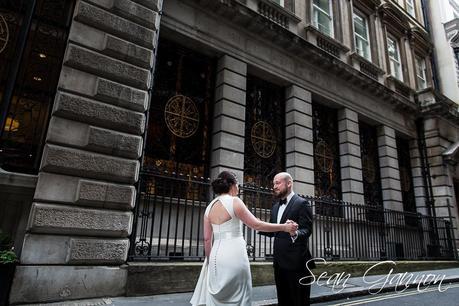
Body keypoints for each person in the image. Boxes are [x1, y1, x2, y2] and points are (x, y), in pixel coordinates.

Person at [190, 171, 298, 306]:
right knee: (240, 295)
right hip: (234, 255)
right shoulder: (235, 201)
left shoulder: (209, 207)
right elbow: (256, 225)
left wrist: (210, 261)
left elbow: (207, 239)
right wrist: (284, 227)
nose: (239, 188)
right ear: (233, 185)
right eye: (238, 185)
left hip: (216, 257)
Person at [260, 172, 315, 306]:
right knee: (283, 300)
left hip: (297, 263)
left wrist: (294, 233)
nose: (274, 186)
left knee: (299, 301)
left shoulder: (302, 203)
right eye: (273, 183)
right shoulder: (275, 207)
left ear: (289, 183)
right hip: (279, 263)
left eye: (277, 183)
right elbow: (275, 230)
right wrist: (257, 225)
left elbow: (307, 230)